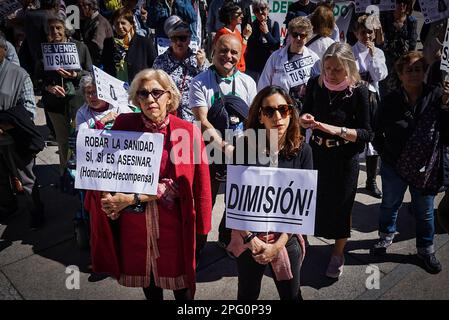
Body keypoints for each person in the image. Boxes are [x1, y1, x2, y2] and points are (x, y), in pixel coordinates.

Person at [84, 68, 212, 299]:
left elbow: (190, 184)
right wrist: (109, 197)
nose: (150, 99)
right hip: (134, 226)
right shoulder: (124, 125)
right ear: (136, 99)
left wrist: (202, 228)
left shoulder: (185, 131)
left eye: (156, 92)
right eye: (143, 94)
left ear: (169, 96)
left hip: (173, 225)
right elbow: (104, 166)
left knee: (181, 287)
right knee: (150, 284)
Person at [227, 85, 311, 300]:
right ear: (260, 116)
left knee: (292, 295)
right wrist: (251, 239)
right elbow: (234, 201)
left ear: (291, 113)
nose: (277, 117)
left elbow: (302, 207)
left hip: (286, 237)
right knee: (247, 295)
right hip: (248, 238)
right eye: (269, 111)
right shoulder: (244, 147)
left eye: (283, 109)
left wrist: (278, 245)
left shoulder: (303, 150)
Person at [299, 42, 372, 279]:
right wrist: (305, 119)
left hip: (344, 158)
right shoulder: (315, 84)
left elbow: (366, 133)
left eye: (337, 70)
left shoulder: (360, 91)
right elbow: (305, 112)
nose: (330, 74)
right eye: (327, 68)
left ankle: (338, 253)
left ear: (349, 68)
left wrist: (334, 130)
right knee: (310, 203)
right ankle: (303, 246)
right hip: (316, 154)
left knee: (342, 207)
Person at [371, 51, 449, 274]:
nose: (413, 74)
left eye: (418, 69)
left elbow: (447, 134)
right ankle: (386, 237)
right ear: (400, 74)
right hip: (394, 167)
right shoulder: (390, 100)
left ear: (425, 72)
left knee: (424, 212)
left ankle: (425, 249)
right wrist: (387, 155)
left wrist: (446, 106)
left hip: (426, 169)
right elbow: (375, 132)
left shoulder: (436, 96)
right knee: (389, 204)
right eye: (409, 70)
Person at [190, 34, 257, 246]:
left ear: (240, 55)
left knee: (236, 199)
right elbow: (202, 121)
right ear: (213, 51)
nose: (228, 56)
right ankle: (197, 246)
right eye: (223, 50)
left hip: (240, 149)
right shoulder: (200, 82)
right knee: (205, 201)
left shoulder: (248, 82)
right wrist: (223, 146)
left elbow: (252, 120)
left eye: (234, 52)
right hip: (211, 147)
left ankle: (226, 239)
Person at [37, 14, 92, 177]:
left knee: (79, 140)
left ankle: (82, 175)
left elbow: (89, 73)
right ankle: (64, 176)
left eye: (58, 28)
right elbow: (37, 78)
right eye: (52, 28)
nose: (55, 31)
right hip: (55, 105)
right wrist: (49, 87)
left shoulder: (80, 47)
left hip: (77, 102)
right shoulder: (44, 51)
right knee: (62, 142)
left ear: (66, 30)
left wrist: (74, 75)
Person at [0, 33, 45, 229]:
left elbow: (29, 110)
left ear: (3, 49)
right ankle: (7, 207)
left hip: (14, 139)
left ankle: (36, 212)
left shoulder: (19, 75)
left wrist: (4, 126)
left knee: (26, 179)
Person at [352, 14, 388, 199]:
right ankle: (352, 178)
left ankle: (371, 180)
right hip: (356, 99)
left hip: (373, 100)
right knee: (357, 139)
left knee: (373, 140)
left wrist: (373, 55)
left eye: (370, 32)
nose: (367, 36)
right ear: (357, 33)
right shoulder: (350, 51)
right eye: (363, 32)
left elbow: (380, 75)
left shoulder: (379, 52)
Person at [152, 16, 209, 122]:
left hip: (193, 117)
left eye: (182, 38)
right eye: (174, 38)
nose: (178, 42)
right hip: (166, 117)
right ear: (170, 39)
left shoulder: (198, 60)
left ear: (189, 39)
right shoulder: (160, 61)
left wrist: (201, 66)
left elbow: (207, 87)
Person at [258, 16, 320, 109]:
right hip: (279, 108)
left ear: (308, 37)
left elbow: (319, 85)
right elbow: (264, 83)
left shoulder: (314, 59)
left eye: (302, 35)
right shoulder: (275, 57)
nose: (298, 38)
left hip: (304, 110)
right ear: (290, 35)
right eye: (295, 34)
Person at [103, 8, 157, 83]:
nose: (120, 26)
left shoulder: (144, 42)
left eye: (123, 23)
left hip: (139, 88)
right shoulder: (108, 43)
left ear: (131, 24)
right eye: (117, 23)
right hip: (115, 87)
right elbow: (106, 67)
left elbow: (155, 67)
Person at [379, 0, 417, 97]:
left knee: (404, 91)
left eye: (405, 3)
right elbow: (381, 42)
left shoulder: (411, 20)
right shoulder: (385, 18)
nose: (402, 5)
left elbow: (412, 43)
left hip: (403, 60)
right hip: (388, 59)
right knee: (387, 91)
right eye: (399, 2)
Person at [245, 0, 280, 83]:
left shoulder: (274, 24)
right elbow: (250, 48)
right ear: (254, 12)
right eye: (257, 10)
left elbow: (276, 46)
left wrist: (267, 33)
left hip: (269, 66)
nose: (260, 12)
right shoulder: (251, 25)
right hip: (253, 68)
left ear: (268, 10)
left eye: (263, 8)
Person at [213, 1, 252, 72]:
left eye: (242, 13)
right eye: (238, 14)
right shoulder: (223, 33)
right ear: (230, 15)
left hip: (239, 69)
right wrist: (246, 38)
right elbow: (238, 53)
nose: (242, 16)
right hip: (231, 71)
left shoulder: (236, 31)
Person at [77, 0, 114, 69]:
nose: (77, 9)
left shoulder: (99, 22)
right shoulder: (89, 21)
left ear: (91, 7)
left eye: (80, 6)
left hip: (102, 67)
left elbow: (96, 46)